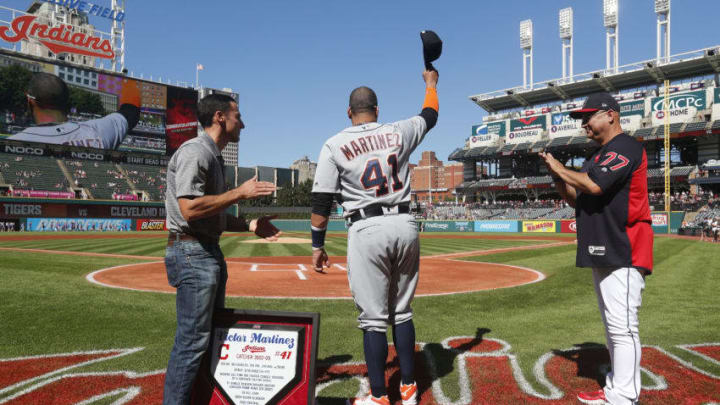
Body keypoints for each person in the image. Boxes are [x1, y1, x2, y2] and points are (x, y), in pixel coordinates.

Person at [310, 69, 439, 405]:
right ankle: (409, 390)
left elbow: (322, 200)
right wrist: (430, 85)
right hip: (405, 222)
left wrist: (317, 245)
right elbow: (430, 114)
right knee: (403, 311)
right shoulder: (398, 131)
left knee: (373, 319)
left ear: (349, 113)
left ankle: (380, 396)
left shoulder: (335, 143)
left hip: (366, 227)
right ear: (378, 110)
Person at [162, 93, 282, 404]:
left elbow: (211, 212)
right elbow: (190, 209)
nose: (242, 122)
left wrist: (250, 226)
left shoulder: (212, 156)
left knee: (206, 340)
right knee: (192, 342)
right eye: (237, 116)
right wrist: (240, 193)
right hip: (193, 254)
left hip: (205, 252)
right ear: (220, 117)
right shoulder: (196, 152)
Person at [540, 92, 653, 405]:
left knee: (624, 327)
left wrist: (560, 167)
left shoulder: (626, 146)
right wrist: (557, 176)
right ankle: (617, 387)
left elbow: (593, 185)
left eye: (588, 116)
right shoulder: (596, 157)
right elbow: (578, 198)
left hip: (625, 247)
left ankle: (624, 396)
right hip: (605, 247)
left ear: (610, 115)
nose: (584, 123)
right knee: (613, 327)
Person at [8, 72, 141, 149]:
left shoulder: (14, 142)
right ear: (67, 101)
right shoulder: (97, 131)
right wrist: (127, 80)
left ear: (30, 100)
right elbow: (131, 112)